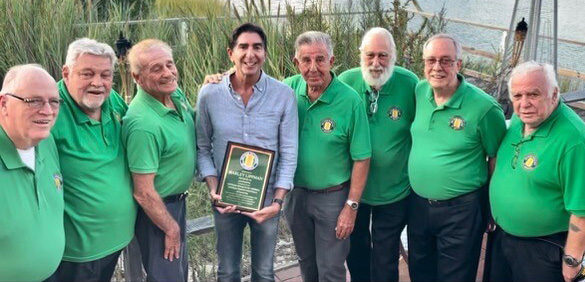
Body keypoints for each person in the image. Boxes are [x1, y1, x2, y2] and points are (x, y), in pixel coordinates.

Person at [196, 23, 298, 282]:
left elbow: (289, 152)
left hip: (266, 202)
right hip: (225, 201)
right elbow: (203, 147)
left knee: (264, 272)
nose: (250, 54)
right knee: (227, 271)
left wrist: (277, 202)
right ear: (231, 53)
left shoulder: (283, 96)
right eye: (243, 47)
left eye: (257, 47)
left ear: (265, 53)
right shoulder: (209, 94)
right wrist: (213, 188)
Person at [407, 33, 507, 281]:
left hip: (461, 211)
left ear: (459, 65)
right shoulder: (420, 92)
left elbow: (496, 159)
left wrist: (491, 208)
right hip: (418, 205)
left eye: (445, 60)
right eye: (431, 60)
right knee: (420, 272)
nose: (437, 67)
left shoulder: (484, 109)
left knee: (456, 277)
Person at [44, 38, 136, 282]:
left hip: (116, 241)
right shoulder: (49, 110)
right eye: (87, 73)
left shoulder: (112, 100)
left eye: (105, 75)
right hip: (76, 254)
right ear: (66, 73)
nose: (98, 83)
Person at [283, 31, 372, 282]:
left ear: (332, 62)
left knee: (331, 269)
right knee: (306, 263)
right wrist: (222, 78)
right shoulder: (286, 90)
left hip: (332, 199)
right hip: (296, 196)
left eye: (320, 59)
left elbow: (362, 158)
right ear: (296, 62)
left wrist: (351, 207)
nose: (313, 68)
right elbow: (250, 85)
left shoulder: (350, 101)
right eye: (306, 60)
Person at [488, 61, 585, 282]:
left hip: (543, 249)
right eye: (517, 95)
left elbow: (582, 211)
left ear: (554, 94)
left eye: (533, 94)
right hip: (504, 238)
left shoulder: (574, 141)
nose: (524, 104)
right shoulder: (518, 121)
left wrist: (572, 262)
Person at [338, 27, 418, 282]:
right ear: (360, 55)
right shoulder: (345, 82)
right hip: (354, 192)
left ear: (394, 55)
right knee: (356, 251)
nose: (375, 63)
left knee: (384, 257)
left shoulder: (410, 84)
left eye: (383, 55)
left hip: (394, 191)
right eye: (370, 55)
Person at [122, 39, 196, 282]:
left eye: (169, 64)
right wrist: (170, 227)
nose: (167, 73)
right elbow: (143, 192)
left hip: (176, 204)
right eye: (156, 69)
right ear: (137, 77)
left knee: (176, 275)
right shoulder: (143, 124)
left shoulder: (174, 93)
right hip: (157, 212)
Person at [0, 64, 64, 281]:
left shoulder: (46, 142)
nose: (47, 111)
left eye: (54, 101)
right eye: (34, 100)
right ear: (4, 104)